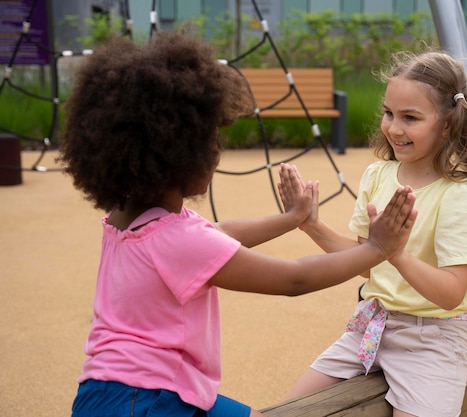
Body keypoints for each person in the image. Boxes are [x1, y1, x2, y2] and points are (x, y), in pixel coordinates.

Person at [58, 31, 418, 417]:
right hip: (144, 401)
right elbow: (293, 279)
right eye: (209, 140)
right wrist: (376, 248)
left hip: (111, 391)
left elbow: (219, 233)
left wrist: (290, 218)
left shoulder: (127, 218)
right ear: (177, 153)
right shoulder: (177, 240)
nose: (217, 151)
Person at [279, 50, 467, 417]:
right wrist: (311, 225)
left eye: (411, 117)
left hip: (432, 340)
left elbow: (451, 293)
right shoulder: (379, 175)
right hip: (372, 325)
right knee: (291, 409)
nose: (394, 128)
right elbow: (366, 263)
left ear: (448, 124)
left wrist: (394, 253)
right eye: (389, 113)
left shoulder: (461, 197)